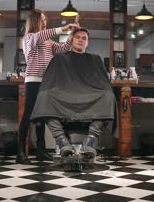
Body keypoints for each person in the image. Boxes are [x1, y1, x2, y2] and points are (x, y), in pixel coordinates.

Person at [31, 28, 118, 159]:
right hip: (65, 95)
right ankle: (61, 140)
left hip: (90, 95)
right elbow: (50, 82)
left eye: (84, 38)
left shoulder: (95, 59)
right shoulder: (59, 58)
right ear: (71, 39)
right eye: (78, 37)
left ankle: (91, 139)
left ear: (88, 42)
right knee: (44, 96)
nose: (81, 40)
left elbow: (103, 83)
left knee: (108, 96)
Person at [16, 9, 80, 164]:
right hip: (33, 80)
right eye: (42, 20)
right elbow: (40, 36)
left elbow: (62, 49)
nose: (44, 23)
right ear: (34, 21)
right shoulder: (30, 37)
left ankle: (41, 150)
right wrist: (63, 28)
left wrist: (71, 36)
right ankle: (20, 153)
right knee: (28, 115)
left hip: (46, 82)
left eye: (45, 20)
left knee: (41, 116)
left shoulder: (48, 41)